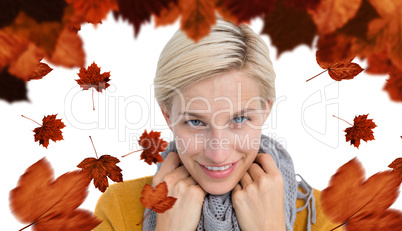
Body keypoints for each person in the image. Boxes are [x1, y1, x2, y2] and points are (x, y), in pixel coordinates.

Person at [94, 15, 344, 231]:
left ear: (266, 109)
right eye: (194, 121)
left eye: (239, 118)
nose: (218, 153)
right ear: (168, 116)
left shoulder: (324, 218)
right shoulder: (119, 209)